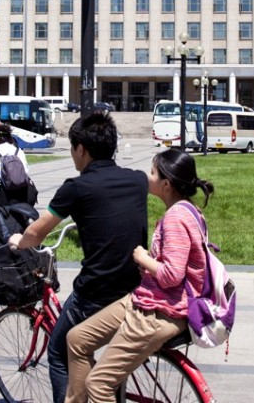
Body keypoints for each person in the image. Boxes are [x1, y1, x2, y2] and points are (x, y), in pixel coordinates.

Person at [8, 112, 148, 403]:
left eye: (72, 148)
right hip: (135, 287)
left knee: (59, 352)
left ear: (81, 149)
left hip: (97, 292)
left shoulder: (76, 187)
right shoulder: (136, 180)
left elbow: (38, 231)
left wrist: (19, 241)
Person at [65, 148, 211, 403]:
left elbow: (172, 275)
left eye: (153, 172)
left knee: (99, 384)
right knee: (77, 339)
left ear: (166, 184)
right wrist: (152, 263)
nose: (148, 176)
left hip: (160, 311)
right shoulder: (190, 210)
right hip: (146, 299)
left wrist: (143, 259)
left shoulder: (176, 218)